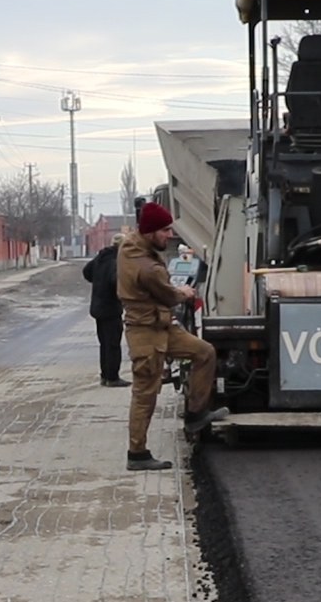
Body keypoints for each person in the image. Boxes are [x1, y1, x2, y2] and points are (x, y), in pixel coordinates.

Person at [118, 201, 225, 471]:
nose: (169, 235)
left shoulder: (133, 244)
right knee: (145, 393)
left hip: (162, 327)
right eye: (165, 231)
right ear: (151, 231)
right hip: (146, 333)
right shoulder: (148, 268)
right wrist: (185, 293)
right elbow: (168, 296)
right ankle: (137, 454)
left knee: (204, 352)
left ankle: (195, 413)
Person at [82, 232, 127, 387]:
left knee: (104, 344)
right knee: (113, 344)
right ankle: (113, 378)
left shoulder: (101, 257)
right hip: (110, 308)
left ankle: (105, 376)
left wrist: (97, 281)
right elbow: (116, 282)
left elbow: (86, 272)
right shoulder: (116, 262)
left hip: (98, 307)